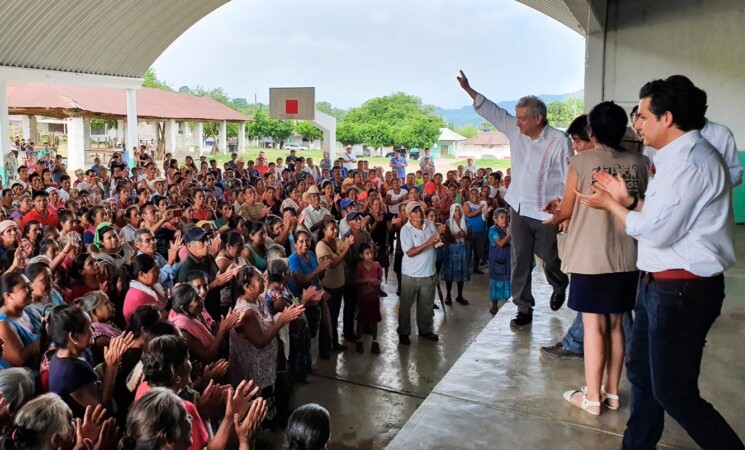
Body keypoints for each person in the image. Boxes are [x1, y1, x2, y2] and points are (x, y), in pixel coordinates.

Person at [575, 78, 743, 449]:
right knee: (644, 379)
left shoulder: (691, 162)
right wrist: (630, 201)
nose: (637, 123)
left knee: (675, 393)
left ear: (667, 118)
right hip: (659, 283)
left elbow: (657, 232)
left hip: (683, 288)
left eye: (643, 115)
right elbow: (665, 215)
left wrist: (612, 205)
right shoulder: (672, 158)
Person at [544, 101, 649, 416]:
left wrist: (552, 214)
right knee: (616, 325)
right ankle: (612, 393)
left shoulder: (581, 162)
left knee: (593, 327)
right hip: (627, 257)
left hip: (591, 258)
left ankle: (591, 398)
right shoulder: (641, 163)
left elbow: (566, 210)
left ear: (591, 131)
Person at [458, 70, 571, 328]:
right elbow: (494, 112)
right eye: (517, 118)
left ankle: (559, 282)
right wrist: (469, 90)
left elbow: (568, 179)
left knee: (549, 256)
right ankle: (523, 307)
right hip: (519, 207)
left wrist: (566, 212)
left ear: (538, 118)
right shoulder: (515, 130)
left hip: (546, 212)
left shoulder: (559, 141)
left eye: (522, 119)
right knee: (519, 259)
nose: (517, 123)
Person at [397, 202, 442, 345]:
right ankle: (404, 332)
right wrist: (429, 243)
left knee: (426, 305)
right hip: (411, 274)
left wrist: (437, 243)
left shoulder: (430, 224)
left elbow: (435, 240)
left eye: (420, 211)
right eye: (415, 212)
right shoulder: (405, 230)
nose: (419, 214)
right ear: (409, 215)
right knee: (406, 305)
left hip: (429, 272)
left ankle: (425, 330)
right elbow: (410, 252)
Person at [353, 243, 382, 354]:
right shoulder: (360, 267)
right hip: (363, 298)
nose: (370, 255)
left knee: (374, 320)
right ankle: (359, 340)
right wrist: (368, 280)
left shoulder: (377, 265)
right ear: (361, 255)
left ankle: (375, 341)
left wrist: (377, 282)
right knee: (361, 319)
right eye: (367, 254)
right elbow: (356, 280)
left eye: (371, 253)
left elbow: (379, 279)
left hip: (374, 298)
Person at [440, 203, 471, 305]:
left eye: (459, 210)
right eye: (456, 210)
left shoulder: (465, 222)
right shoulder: (448, 223)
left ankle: (459, 295)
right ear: (452, 212)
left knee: (460, 273)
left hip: (462, 250)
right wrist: (457, 235)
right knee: (450, 273)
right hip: (451, 251)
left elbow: (469, 238)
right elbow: (445, 238)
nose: (458, 212)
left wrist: (464, 235)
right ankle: (448, 295)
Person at [488, 209, 512, 315]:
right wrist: (510, 234)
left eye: (506, 217)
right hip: (497, 260)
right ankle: (494, 305)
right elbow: (501, 244)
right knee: (496, 282)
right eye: (501, 217)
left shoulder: (508, 228)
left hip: (508, 260)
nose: (504, 219)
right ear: (495, 219)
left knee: (508, 282)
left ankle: (508, 304)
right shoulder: (493, 230)